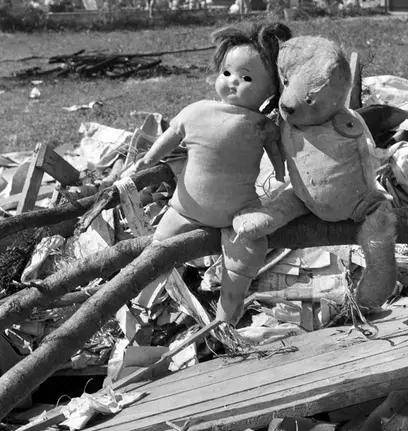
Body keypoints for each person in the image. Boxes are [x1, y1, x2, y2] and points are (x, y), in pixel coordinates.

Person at [124, 22, 292, 324]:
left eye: (247, 78)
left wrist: (281, 172)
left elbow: (276, 152)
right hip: (184, 209)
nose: (233, 82)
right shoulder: (197, 110)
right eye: (226, 73)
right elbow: (171, 136)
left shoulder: (263, 126)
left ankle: (225, 320)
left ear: (272, 89)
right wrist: (147, 159)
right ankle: (136, 303)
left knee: (243, 264)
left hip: (238, 215)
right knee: (155, 254)